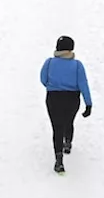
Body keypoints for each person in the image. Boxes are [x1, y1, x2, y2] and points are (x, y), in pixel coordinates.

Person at [39, 35, 92, 173]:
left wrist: (53, 85)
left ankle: (59, 160)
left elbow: (43, 79)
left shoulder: (49, 63)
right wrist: (88, 103)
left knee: (57, 127)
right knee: (68, 122)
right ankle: (67, 143)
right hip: (72, 99)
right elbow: (83, 85)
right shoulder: (77, 65)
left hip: (53, 98)